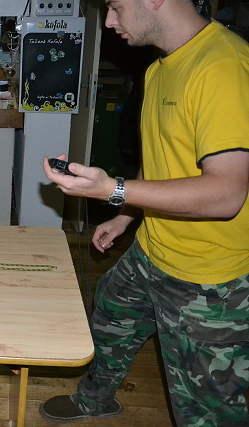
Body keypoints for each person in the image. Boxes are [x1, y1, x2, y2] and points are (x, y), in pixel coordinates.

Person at [39, 0, 249, 425]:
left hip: (209, 280)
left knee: (206, 411)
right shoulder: (159, 69)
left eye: (115, 7)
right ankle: (95, 400)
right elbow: (162, 160)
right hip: (152, 250)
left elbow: (227, 193)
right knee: (110, 311)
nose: (109, 21)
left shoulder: (224, 67)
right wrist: (126, 214)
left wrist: (112, 190)